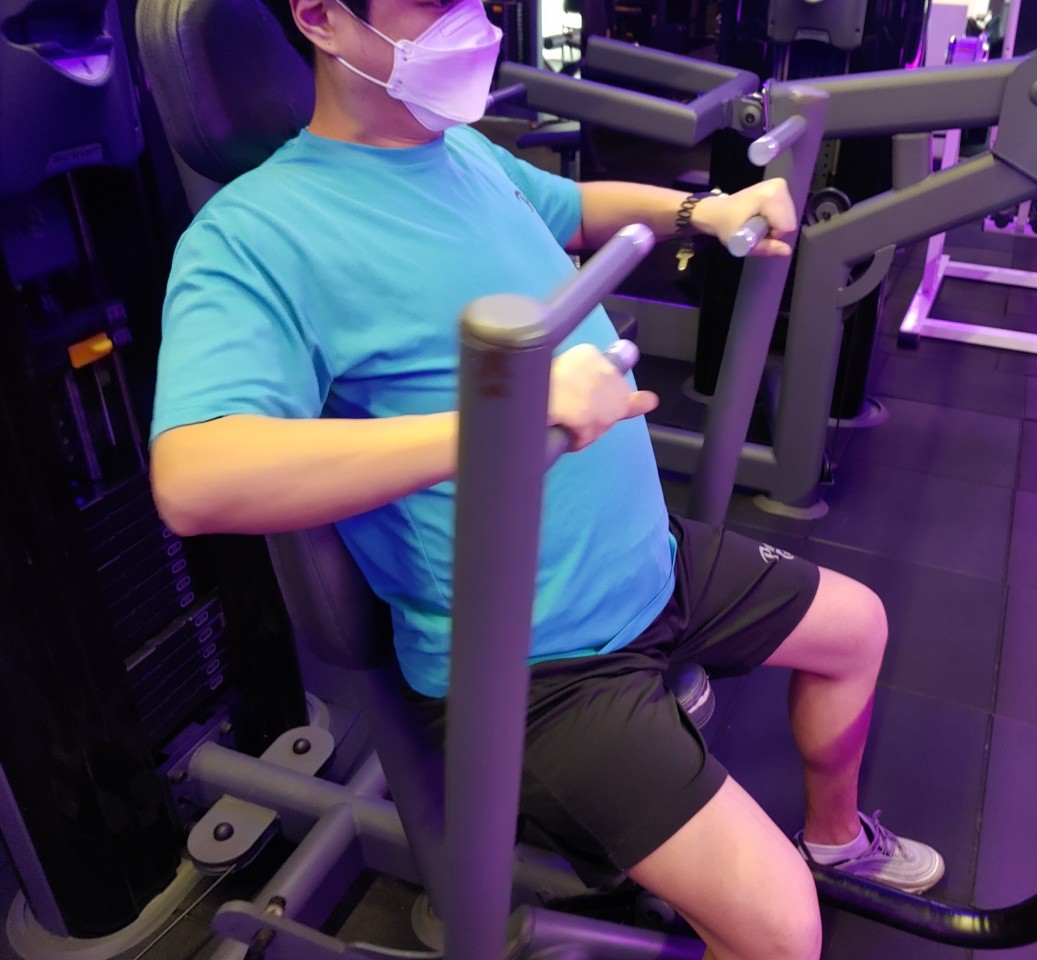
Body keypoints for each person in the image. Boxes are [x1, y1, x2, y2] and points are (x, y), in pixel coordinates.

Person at [148, 0, 945, 956]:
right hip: (534, 666)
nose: (475, 24)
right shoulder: (254, 233)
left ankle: (836, 841)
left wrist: (704, 211)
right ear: (322, 17)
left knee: (858, 629)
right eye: (437, 6)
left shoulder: (461, 152)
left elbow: (575, 207)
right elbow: (193, 477)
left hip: (650, 564)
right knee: (781, 933)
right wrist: (504, 420)